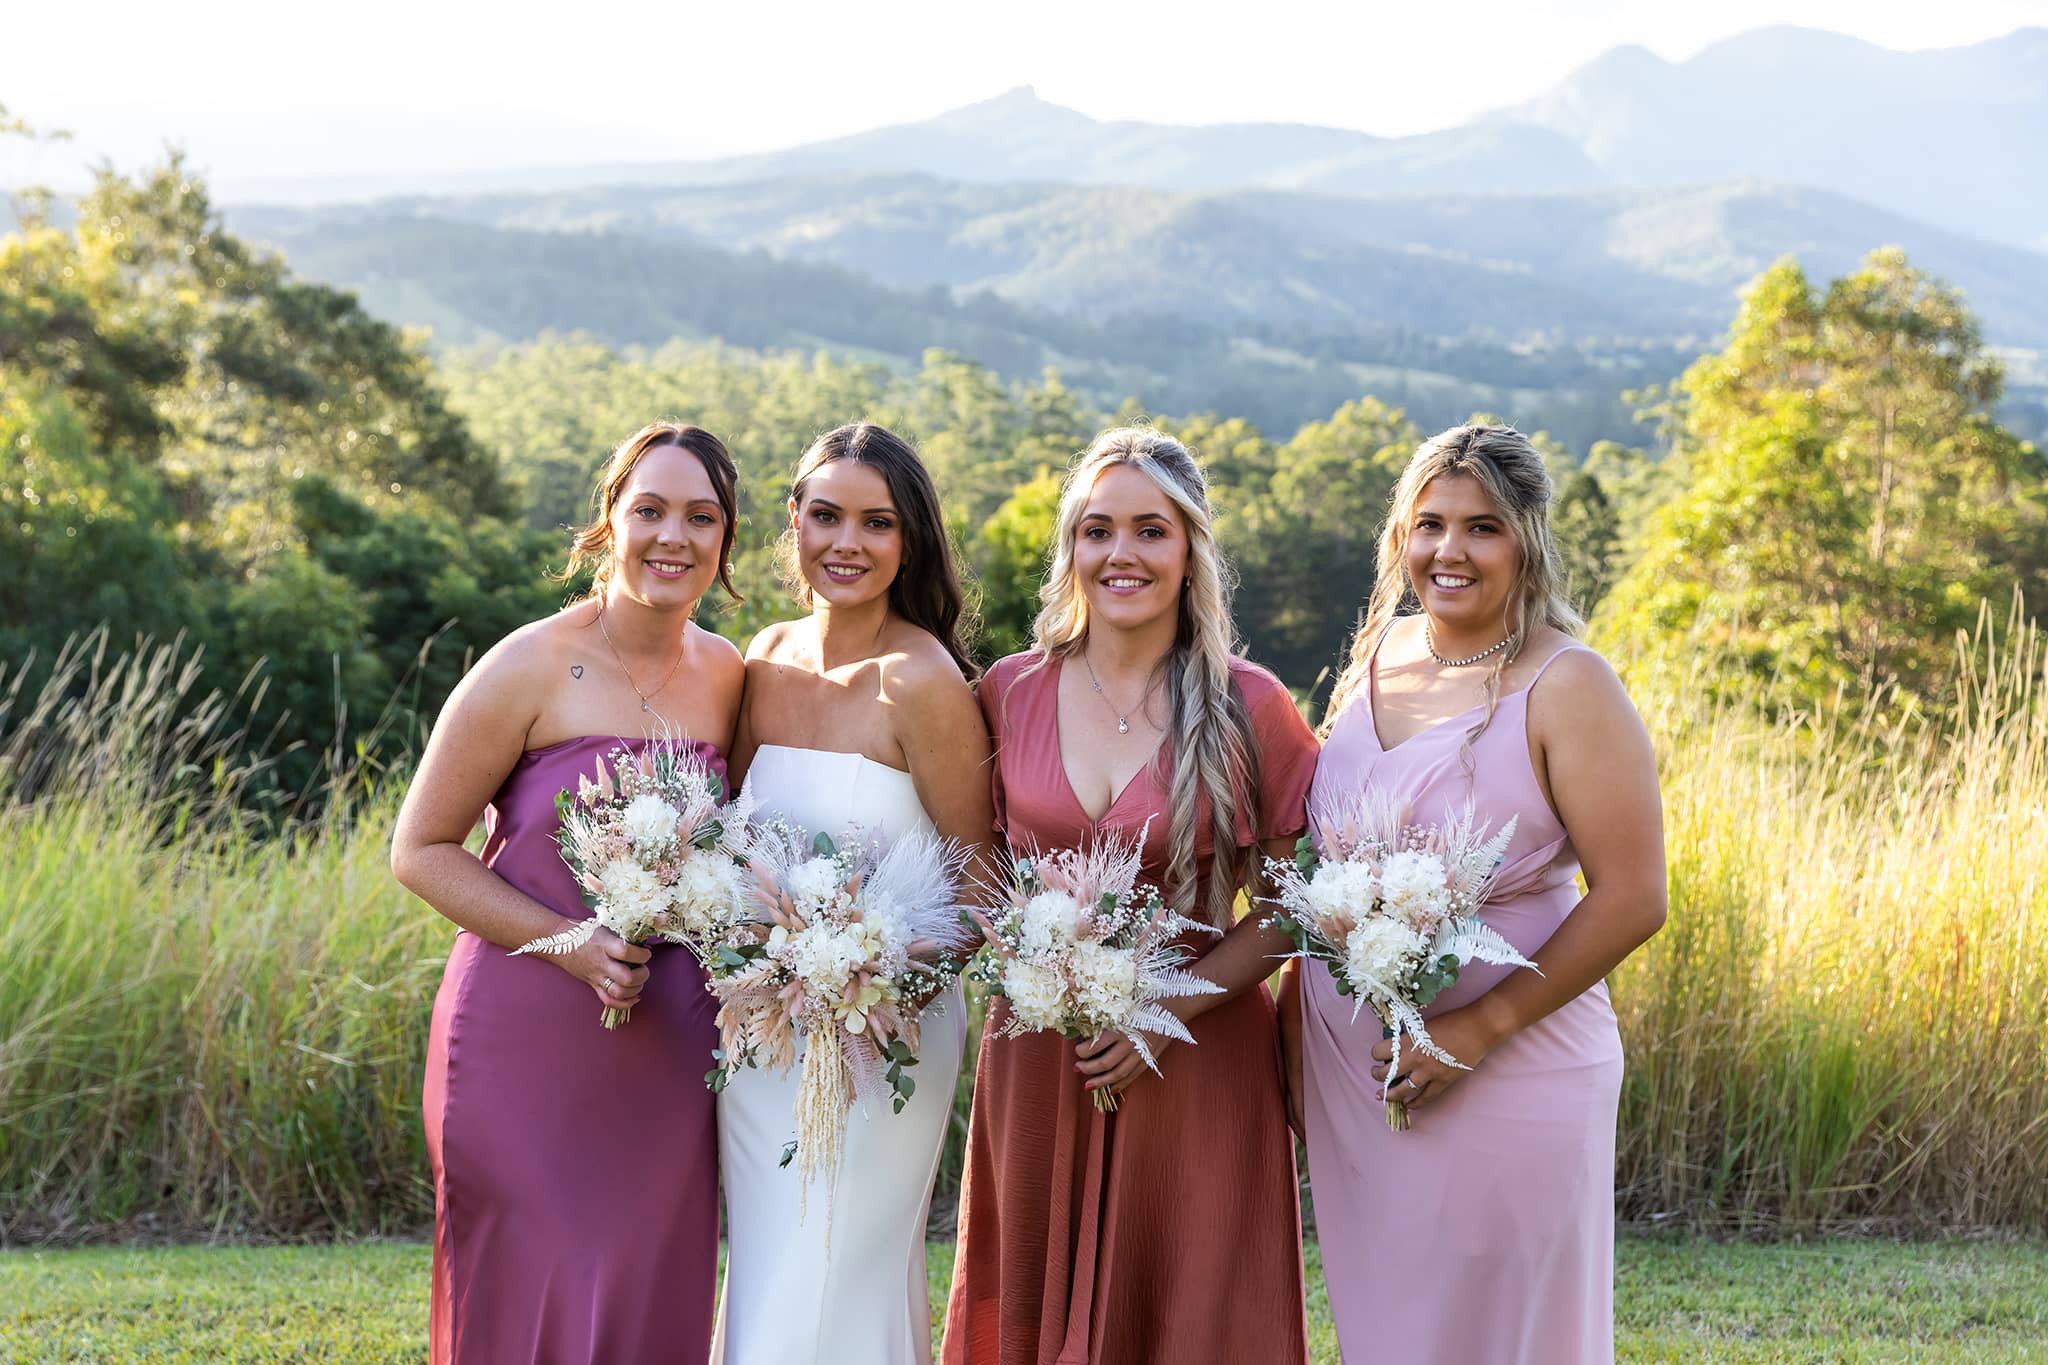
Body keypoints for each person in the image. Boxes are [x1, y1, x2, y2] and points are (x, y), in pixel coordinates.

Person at [1280, 423, 1667, 1364]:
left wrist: (1477, 1028)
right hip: (1358, 1079)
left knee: (1507, 1336)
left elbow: (1633, 895)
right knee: (1391, 1331)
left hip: (1515, 1071)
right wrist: (1293, 1030)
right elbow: (1326, 864)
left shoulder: (1570, 685)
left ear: (1527, 540)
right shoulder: (1379, 651)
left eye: (1482, 528)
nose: (1449, 551)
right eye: (1429, 525)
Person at [943, 426, 1319, 1365]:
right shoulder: (1006, 693)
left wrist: (1164, 1009)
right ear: (1070, 548)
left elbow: (1289, 907)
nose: (1122, 554)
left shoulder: (1252, 705)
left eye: (1150, 530)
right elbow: (976, 867)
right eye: (1097, 530)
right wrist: (1036, 965)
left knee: (1187, 1312)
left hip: (1197, 1054)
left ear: (1190, 546)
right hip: (1041, 1053)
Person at [392, 421, 746, 1365]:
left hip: (667, 1050)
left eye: (700, 517)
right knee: (522, 1292)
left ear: (726, 539)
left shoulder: (728, 676)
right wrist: (567, 942)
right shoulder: (529, 664)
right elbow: (421, 849)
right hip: (523, 1033)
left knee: (647, 1290)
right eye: (651, 511)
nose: (673, 536)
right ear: (609, 522)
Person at [713, 422, 994, 1365]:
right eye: (825, 515)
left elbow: (978, 887)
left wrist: (869, 983)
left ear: (907, 540)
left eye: (876, 523)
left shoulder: (922, 682)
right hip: (763, 1028)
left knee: (838, 1263)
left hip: (889, 1035)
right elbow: (730, 842)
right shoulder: (764, 656)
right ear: (792, 520)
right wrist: (773, 967)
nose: (847, 542)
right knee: (770, 1257)